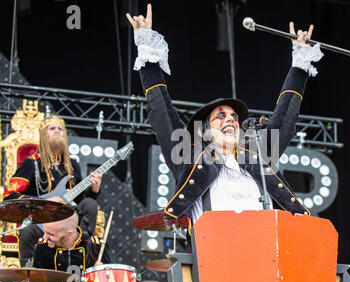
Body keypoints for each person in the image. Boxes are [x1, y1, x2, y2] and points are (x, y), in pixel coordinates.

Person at [126, 3, 323, 227]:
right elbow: (161, 112)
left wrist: (299, 64)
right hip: (214, 258)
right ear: (204, 130)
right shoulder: (189, 157)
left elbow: (285, 117)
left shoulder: (256, 157)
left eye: (234, 117)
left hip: (262, 255)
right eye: (220, 116)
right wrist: (146, 45)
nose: (230, 119)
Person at [3, 114, 103, 266]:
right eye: (52, 128)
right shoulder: (31, 163)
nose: (57, 131)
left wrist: (94, 190)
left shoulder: (72, 165)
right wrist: (44, 203)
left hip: (68, 221)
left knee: (89, 204)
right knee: (27, 231)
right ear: (43, 135)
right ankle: (28, 274)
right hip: (40, 220)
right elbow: (10, 196)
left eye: (60, 129)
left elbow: (80, 201)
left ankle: (83, 255)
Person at [0, 212, 110, 282]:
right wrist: (7, 281)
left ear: (69, 234)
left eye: (51, 234)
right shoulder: (44, 247)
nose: (45, 236)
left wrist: (101, 277)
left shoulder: (96, 246)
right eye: (45, 231)